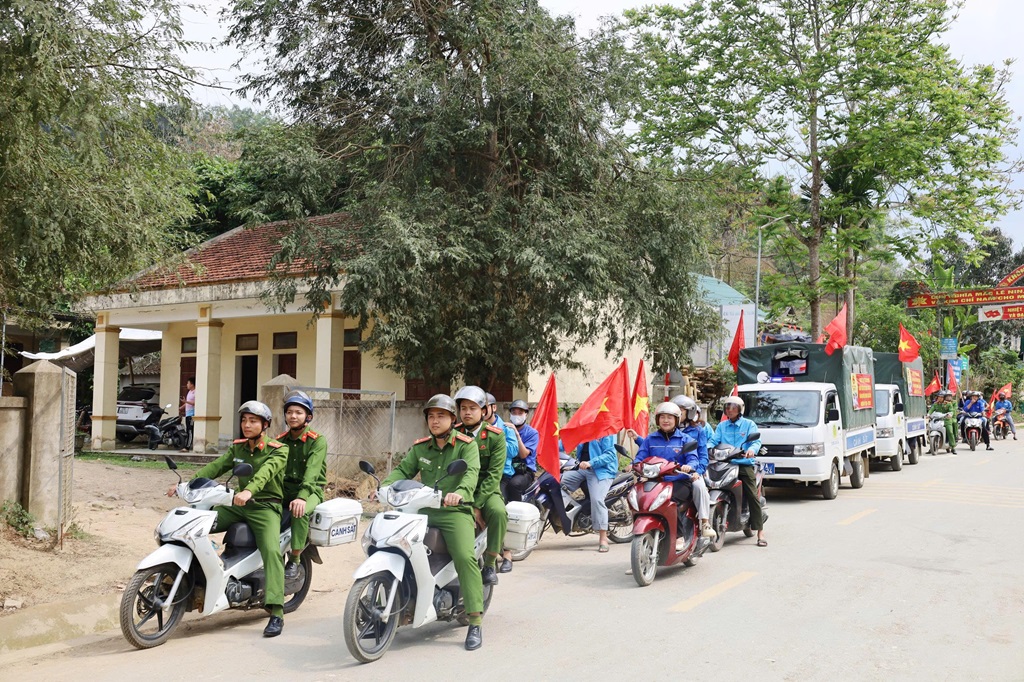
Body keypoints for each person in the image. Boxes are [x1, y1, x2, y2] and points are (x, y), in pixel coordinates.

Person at [167, 400, 288, 637]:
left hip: (264, 508)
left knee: (271, 551)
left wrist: (249, 491)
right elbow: (215, 467)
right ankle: (197, 578)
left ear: (265, 425)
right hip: (236, 504)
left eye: (253, 421)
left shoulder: (278, 450)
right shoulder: (238, 448)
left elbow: (266, 473)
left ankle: (276, 611)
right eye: (244, 420)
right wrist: (185, 484)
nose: (247, 424)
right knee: (196, 525)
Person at [379, 394, 485, 650]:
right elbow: (403, 470)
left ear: (452, 419)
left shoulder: (466, 445)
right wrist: (384, 486)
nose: (435, 420)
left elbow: (470, 475)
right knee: (391, 544)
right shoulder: (420, 447)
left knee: (464, 556)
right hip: (420, 509)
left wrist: (459, 493)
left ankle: (475, 621)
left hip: (453, 512)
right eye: (431, 416)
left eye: (441, 415)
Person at [627, 402, 701, 551]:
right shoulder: (650, 439)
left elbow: (693, 459)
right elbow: (641, 456)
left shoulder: (685, 439)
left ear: (676, 420)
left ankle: (679, 536)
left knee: (669, 501)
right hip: (655, 482)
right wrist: (634, 464)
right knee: (637, 498)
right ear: (658, 420)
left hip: (678, 482)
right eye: (662, 417)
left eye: (669, 417)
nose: (665, 420)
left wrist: (689, 466)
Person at [454, 386, 508, 587]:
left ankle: (490, 563)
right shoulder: (454, 433)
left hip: (486, 489)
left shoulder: (495, 436)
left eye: (473, 408)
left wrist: (477, 505)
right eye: (463, 408)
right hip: (459, 487)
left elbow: (494, 475)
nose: (467, 412)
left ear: (484, 411)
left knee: (498, 512)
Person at [277, 390, 327, 580]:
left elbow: (312, 473)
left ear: (308, 416)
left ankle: (295, 560)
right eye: (289, 412)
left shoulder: (318, 441)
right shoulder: (280, 441)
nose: (293, 416)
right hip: (285, 490)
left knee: (300, 510)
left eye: (298, 412)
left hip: (311, 490)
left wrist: (302, 496)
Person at [707, 395, 766, 547]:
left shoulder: (748, 424)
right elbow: (714, 440)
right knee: (709, 485)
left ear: (740, 410)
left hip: (743, 464)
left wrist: (752, 450)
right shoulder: (722, 426)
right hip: (724, 462)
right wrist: (707, 447)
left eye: (733, 407)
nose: (730, 410)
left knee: (752, 494)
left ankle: (760, 532)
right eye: (727, 407)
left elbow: (755, 441)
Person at [498, 398, 538, 573]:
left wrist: (515, 433)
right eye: (513, 412)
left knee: (513, 486)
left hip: (524, 472)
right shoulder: (501, 428)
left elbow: (523, 454)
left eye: (520, 413)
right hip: (505, 471)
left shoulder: (531, 433)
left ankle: (515, 513)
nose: (516, 415)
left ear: (526, 415)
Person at [559, 434, 618, 552]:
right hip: (581, 469)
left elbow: (610, 455)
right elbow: (566, 441)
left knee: (597, 499)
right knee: (556, 482)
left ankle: (603, 538)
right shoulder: (583, 428)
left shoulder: (607, 431)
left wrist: (591, 462)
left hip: (601, 471)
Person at [930, 390, 958, 455]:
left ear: (944, 398)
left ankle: (953, 447)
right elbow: (931, 409)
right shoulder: (936, 404)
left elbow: (951, 411)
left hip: (947, 420)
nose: (939, 398)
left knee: (950, 431)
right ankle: (931, 446)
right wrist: (928, 415)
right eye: (938, 397)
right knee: (931, 429)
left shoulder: (948, 404)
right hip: (938, 420)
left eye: (941, 397)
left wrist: (950, 414)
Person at [178, 377, 195, 451]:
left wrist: (186, 402)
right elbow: (188, 402)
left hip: (192, 414)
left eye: (188, 383)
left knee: (190, 431)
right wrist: (181, 407)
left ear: (192, 384)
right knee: (188, 430)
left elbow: (195, 403)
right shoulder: (189, 392)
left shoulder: (196, 392)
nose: (187, 385)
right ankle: (186, 445)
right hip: (187, 414)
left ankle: (187, 447)